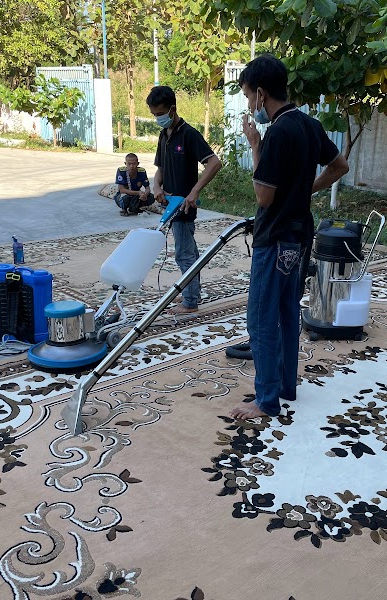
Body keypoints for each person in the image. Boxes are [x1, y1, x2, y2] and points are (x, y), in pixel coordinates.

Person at [229, 55, 350, 420]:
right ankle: (284, 386)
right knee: (285, 310)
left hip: (275, 234)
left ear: (262, 93)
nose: (251, 105)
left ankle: (265, 400)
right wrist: (305, 191)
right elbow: (339, 166)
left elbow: (263, 196)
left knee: (262, 317)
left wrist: (255, 146)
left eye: (250, 96)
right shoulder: (310, 124)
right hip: (298, 236)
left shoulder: (278, 131)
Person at [146, 85, 222, 315]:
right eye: (154, 115)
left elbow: (214, 162)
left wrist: (195, 191)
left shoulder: (189, 134)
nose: (158, 118)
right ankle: (190, 290)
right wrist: (156, 186)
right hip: (169, 204)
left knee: (185, 253)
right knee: (186, 251)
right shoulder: (164, 135)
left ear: (172, 109)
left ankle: (190, 301)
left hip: (183, 205)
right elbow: (160, 167)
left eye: (160, 114)